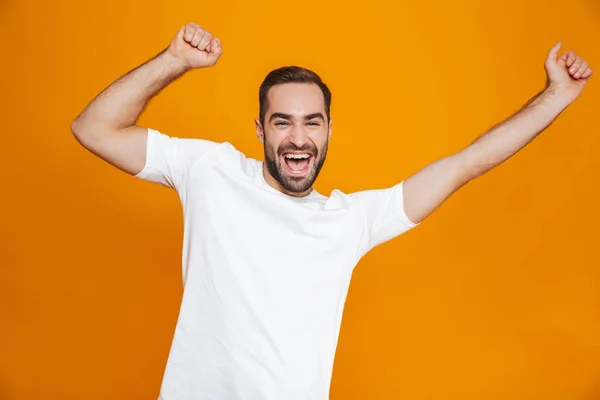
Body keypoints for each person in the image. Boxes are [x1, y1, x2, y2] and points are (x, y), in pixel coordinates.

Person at [71, 22, 593, 400]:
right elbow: (94, 129)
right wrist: (175, 61)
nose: (298, 138)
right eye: (282, 123)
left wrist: (557, 96)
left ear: (328, 130)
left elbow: (465, 164)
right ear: (260, 130)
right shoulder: (209, 170)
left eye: (312, 122)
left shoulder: (351, 221)